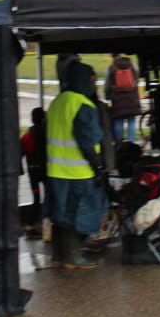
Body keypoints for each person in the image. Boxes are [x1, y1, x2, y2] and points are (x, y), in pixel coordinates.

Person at [46, 60, 108, 270]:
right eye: (91, 80)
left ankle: (58, 255)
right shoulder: (82, 104)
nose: (93, 85)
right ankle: (74, 257)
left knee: (60, 213)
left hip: (56, 170)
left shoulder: (58, 101)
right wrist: (98, 168)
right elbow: (87, 141)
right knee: (76, 214)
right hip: (78, 172)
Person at [20, 107, 47, 239]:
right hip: (46, 172)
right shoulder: (46, 133)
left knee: (36, 199)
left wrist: (20, 170)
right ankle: (49, 224)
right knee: (49, 197)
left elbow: (19, 153)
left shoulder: (26, 136)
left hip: (32, 173)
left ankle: (30, 226)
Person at [105, 53, 141, 143]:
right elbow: (137, 79)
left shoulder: (111, 67)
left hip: (117, 99)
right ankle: (131, 142)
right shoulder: (132, 64)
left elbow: (107, 84)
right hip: (132, 98)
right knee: (131, 121)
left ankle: (119, 143)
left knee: (118, 121)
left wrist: (108, 96)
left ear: (112, 56)